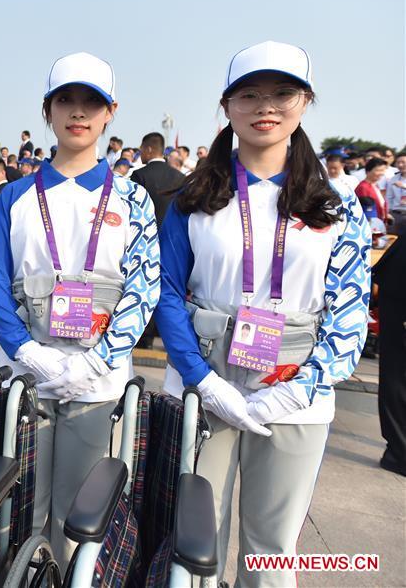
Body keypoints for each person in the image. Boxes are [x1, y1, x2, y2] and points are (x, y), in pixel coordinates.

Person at [154, 40, 371, 586]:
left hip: (295, 398)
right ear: (227, 106)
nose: (265, 106)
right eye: (249, 94)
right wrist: (203, 381)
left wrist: (301, 388)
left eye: (282, 93)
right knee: (195, 540)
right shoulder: (192, 200)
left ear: (306, 102)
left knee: (272, 548)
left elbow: (348, 311)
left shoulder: (336, 208)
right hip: (204, 390)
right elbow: (167, 294)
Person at [0, 52, 159, 567]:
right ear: (47, 111)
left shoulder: (132, 199)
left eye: (91, 102)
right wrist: (28, 352)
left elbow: (144, 286)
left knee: (77, 515)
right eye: (66, 101)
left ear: (110, 113)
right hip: (24, 377)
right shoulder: (14, 196)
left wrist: (95, 362)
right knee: (17, 507)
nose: (77, 112)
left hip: (95, 384)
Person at [373, 235, 406, 476]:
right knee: (397, 373)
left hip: (397, 281)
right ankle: (399, 451)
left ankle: (398, 450)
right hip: (400, 287)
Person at [131, 131, 186, 226]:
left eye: (141, 150)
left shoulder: (139, 175)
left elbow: (134, 209)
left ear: (148, 149)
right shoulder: (180, 176)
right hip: (173, 233)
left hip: (148, 233)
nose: (140, 154)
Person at [355, 158, 389, 224]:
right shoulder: (363, 187)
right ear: (368, 171)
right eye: (378, 170)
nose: (381, 173)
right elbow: (365, 209)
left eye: (383, 170)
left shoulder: (375, 185)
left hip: (379, 222)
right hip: (371, 224)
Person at [385, 152, 406, 234]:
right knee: (393, 240)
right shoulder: (393, 179)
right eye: (398, 162)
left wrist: (403, 186)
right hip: (396, 214)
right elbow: (388, 198)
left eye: (403, 162)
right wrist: (388, 213)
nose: (400, 165)